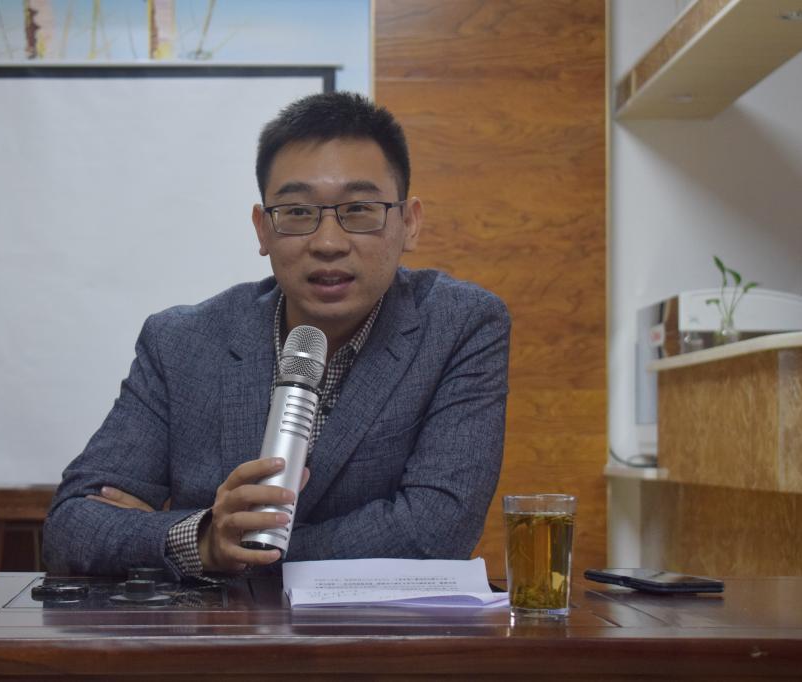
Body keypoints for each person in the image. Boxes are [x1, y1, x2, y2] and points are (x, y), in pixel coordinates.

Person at [43, 92, 510, 579]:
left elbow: (435, 533)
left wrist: (232, 548)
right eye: (298, 213)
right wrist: (202, 538)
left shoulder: (460, 326)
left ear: (409, 223)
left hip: (375, 629)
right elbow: (71, 529)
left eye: (359, 209)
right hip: (217, 628)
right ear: (263, 230)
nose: (328, 243)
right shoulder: (181, 342)